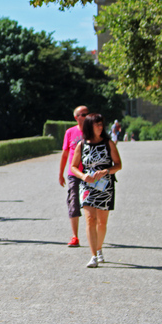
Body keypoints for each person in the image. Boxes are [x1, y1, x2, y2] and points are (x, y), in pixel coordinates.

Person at [70, 113, 122, 268]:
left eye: (101, 124)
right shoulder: (82, 145)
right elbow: (73, 166)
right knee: (90, 219)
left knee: (102, 222)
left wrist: (105, 171)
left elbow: (118, 165)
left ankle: (99, 249)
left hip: (105, 186)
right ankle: (93, 256)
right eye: (97, 124)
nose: (100, 127)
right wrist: (83, 176)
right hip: (87, 186)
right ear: (89, 126)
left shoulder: (108, 143)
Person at [58, 105, 89, 248]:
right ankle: (75, 236)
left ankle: (93, 233)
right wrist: (60, 174)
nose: (85, 116)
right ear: (76, 117)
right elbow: (65, 154)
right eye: (82, 114)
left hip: (90, 174)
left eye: (87, 114)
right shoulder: (70, 132)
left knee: (91, 204)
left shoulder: (93, 131)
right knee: (73, 202)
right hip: (74, 174)